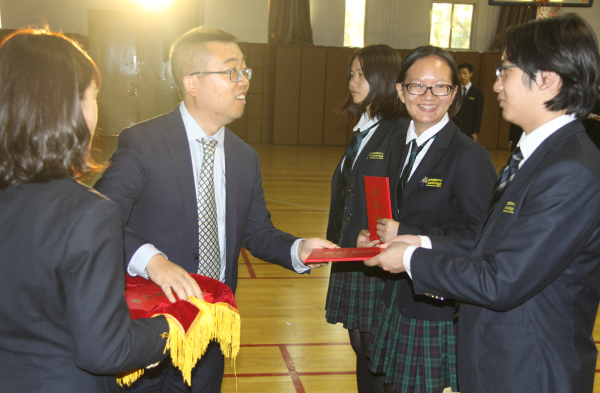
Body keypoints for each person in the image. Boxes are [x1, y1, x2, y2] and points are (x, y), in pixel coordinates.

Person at [365, 13, 600, 393]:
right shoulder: (538, 157)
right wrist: (417, 241)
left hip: (529, 371)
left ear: (547, 79)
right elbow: (489, 248)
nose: (496, 84)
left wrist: (410, 259)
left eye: (505, 70)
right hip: (497, 361)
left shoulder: (571, 170)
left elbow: (501, 279)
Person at [94, 26, 335, 393]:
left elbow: (256, 231)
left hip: (211, 327)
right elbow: (99, 217)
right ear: (192, 83)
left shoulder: (244, 157)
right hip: (149, 326)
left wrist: (298, 249)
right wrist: (151, 260)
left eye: (245, 70)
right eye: (231, 71)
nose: (244, 81)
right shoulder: (144, 143)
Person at [0, 29, 169, 393]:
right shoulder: (89, 214)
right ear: (69, 110)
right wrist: (173, 327)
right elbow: (106, 350)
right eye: (93, 96)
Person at [359, 45, 496, 393]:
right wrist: (373, 237)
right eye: (417, 85)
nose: (428, 96)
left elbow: (478, 239)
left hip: (433, 306)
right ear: (400, 90)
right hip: (394, 297)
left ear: (454, 94)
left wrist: (406, 234)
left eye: (440, 87)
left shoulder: (469, 157)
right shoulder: (398, 144)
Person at [324, 44, 408, 393]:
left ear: (384, 78)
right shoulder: (365, 128)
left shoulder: (399, 130)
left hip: (377, 257)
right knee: (361, 346)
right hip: (353, 252)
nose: (353, 82)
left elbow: (403, 194)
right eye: (352, 74)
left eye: (362, 74)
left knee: (375, 351)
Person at [452, 62, 484, 141]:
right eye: (460, 73)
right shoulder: (454, 91)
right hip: (454, 128)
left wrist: (475, 131)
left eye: (465, 73)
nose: (462, 76)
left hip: (468, 130)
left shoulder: (477, 93)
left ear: (471, 74)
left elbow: (478, 114)